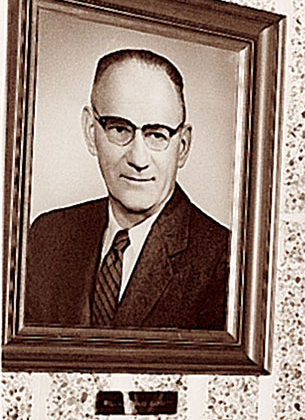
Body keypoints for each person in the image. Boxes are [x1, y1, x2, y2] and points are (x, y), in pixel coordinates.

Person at [23, 48, 229, 330]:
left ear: (182, 147)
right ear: (90, 132)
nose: (138, 159)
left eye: (157, 135)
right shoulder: (48, 236)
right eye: (120, 129)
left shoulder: (224, 260)